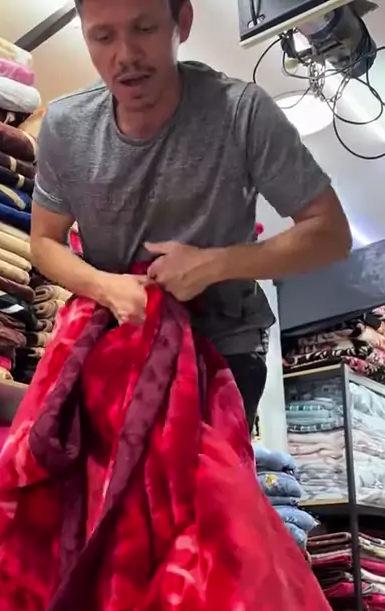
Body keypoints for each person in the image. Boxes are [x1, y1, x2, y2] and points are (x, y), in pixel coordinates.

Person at [31, 0, 352, 431]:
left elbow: (331, 234)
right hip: (116, 338)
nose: (125, 55)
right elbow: (44, 241)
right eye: (103, 37)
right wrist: (106, 287)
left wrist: (212, 265)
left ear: (181, 22)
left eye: (144, 29)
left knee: (206, 475)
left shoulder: (242, 113)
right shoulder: (65, 126)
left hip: (222, 346)